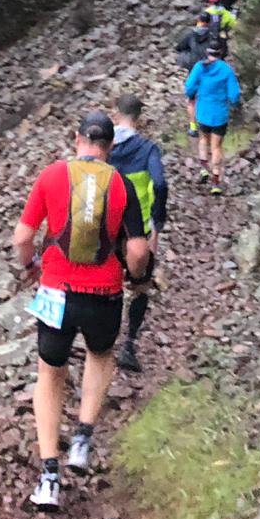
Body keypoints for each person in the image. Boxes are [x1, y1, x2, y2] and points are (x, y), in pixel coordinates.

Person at [14, 110, 150, 509]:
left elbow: (22, 237)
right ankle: (82, 440)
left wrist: (30, 266)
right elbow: (138, 250)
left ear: (77, 139)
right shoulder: (121, 184)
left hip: (56, 292)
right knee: (100, 355)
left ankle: (49, 479)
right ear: (111, 146)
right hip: (104, 293)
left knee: (50, 373)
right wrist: (135, 277)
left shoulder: (52, 175)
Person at [109, 94, 166, 373]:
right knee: (140, 286)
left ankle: (102, 340)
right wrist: (158, 219)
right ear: (139, 118)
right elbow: (160, 184)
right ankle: (129, 344)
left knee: (107, 283)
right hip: (138, 230)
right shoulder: (148, 149)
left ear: (115, 114)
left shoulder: (103, 145)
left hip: (107, 229)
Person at [185, 39, 242, 194]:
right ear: (221, 53)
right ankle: (215, 182)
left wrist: (191, 95)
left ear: (207, 52)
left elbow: (189, 87)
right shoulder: (226, 70)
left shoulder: (200, 67)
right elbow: (234, 94)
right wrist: (235, 104)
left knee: (203, 139)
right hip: (220, 115)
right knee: (216, 147)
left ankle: (204, 168)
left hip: (203, 112)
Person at [175, 13, 214, 133]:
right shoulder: (212, 36)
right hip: (208, 71)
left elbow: (179, 47)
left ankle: (193, 127)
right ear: (209, 23)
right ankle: (207, 125)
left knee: (192, 100)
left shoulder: (190, 34)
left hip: (193, 71)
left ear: (198, 20)